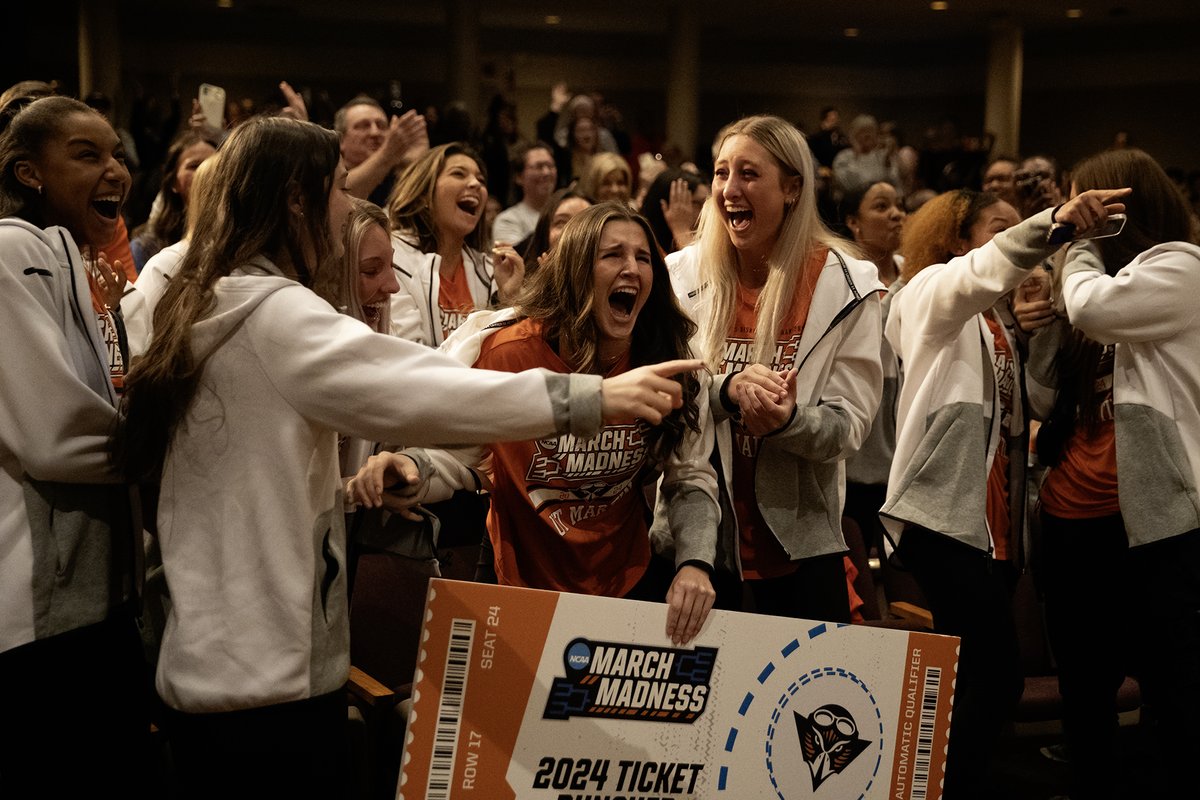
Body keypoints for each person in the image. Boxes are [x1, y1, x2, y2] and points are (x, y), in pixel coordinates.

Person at [116, 115, 698, 796]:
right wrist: (592, 399)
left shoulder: (205, 300)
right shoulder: (276, 318)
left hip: (207, 667)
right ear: (297, 201)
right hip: (268, 683)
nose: (350, 206)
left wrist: (409, 470)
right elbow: (429, 390)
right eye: (337, 187)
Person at [351, 203, 719, 645]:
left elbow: (690, 474)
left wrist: (696, 562)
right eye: (612, 255)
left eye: (643, 258)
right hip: (515, 580)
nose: (632, 269)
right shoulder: (507, 353)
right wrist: (408, 470)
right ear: (576, 269)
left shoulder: (665, 358)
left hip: (623, 580)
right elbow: (459, 456)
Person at [881, 185, 1129, 798]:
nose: (1015, 241)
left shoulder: (997, 325)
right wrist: (1057, 223)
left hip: (990, 529)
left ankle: (941, 784)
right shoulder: (928, 296)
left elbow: (1029, 415)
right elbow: (978, 273)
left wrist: (1034, 336)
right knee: (997, 676)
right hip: (940, 519)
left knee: (984, 681)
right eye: (998, 228)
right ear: (957, 241)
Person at [1025, 148, 1200, 799]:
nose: (1069, 220)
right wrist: (1042, 325)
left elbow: (1097, 308)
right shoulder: (1087, 288)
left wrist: (1073, 252)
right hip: (1074, 518)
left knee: (1174, 689)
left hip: (1155, 523)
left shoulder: (1181, 267)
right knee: (1085, 691)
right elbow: (1043, 399)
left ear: (1118, 209)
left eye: (1081, 206)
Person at [668, 114, 885, 622]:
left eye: (748, 173)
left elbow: (850, 426)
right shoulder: (679, 277)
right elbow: (663, 394)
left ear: (792, 188)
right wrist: (727, 390)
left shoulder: (847, 287)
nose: (729, 189)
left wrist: (790, 423)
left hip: (801, 552)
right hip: (694, 549)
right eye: (721, 173)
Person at [0, 95, 147, 794]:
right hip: (40, 610)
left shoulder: (70, 257)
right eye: (86, 155)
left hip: (90, 592)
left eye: (115, 153)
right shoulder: (12, 250)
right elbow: (57, 437)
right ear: (29, 173)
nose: (113, 169)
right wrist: (175, 452)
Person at [387, 142, 523, 346]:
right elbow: (407, 352)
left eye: (481, 179)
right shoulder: (393, 256)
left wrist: (510, 298)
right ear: (425, 192)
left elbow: (507, 352)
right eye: (459, 174)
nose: (476, 184)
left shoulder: (492, 271)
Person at [836, 180, 905, 556]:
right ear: (853, 222)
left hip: (906, 449)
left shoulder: (917, 274)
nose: (896, 214)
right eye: (881, 206)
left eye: (898, 205)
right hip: (857, 457)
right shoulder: (838, 276)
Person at [129, 130, 218, 272]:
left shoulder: (234, 243)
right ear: (173, 182)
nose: (205, 172)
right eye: (194, 166)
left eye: (213, 166)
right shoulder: (146, 248)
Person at [334, 94, 427, 206]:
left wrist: (417, 165)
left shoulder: (394, 174)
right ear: (340, 139)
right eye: (364, 126)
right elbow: (340, 196)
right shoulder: (327, 177)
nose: (375, 132)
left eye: (381, 125)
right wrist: (388, 154)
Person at [491, 141, 558, 245]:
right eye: (539, 167)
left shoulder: (568, 212)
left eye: (550, 166)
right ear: (519, 177)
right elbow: (515, 259)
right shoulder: (507, 220)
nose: (546, 172)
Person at [517, 186, 593, 274]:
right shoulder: (520, 285)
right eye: (561, 222)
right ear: (545, 233)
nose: (573, 230)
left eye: (584, 222)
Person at [640, 167, 709, 254]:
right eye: (697, 204)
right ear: (666, 206)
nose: (707, 211)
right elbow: (697, 266)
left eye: (708, 204)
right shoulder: (645, 248)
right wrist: (682, 231)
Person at [831, 114, 901, 199]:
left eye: (871, 131)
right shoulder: (843, 157)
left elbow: (894, 182)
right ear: (854, 135)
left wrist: (887, 161)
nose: (867, 135)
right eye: (863, 131)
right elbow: (849, 185)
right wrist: (857, 155)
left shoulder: (882, 156)